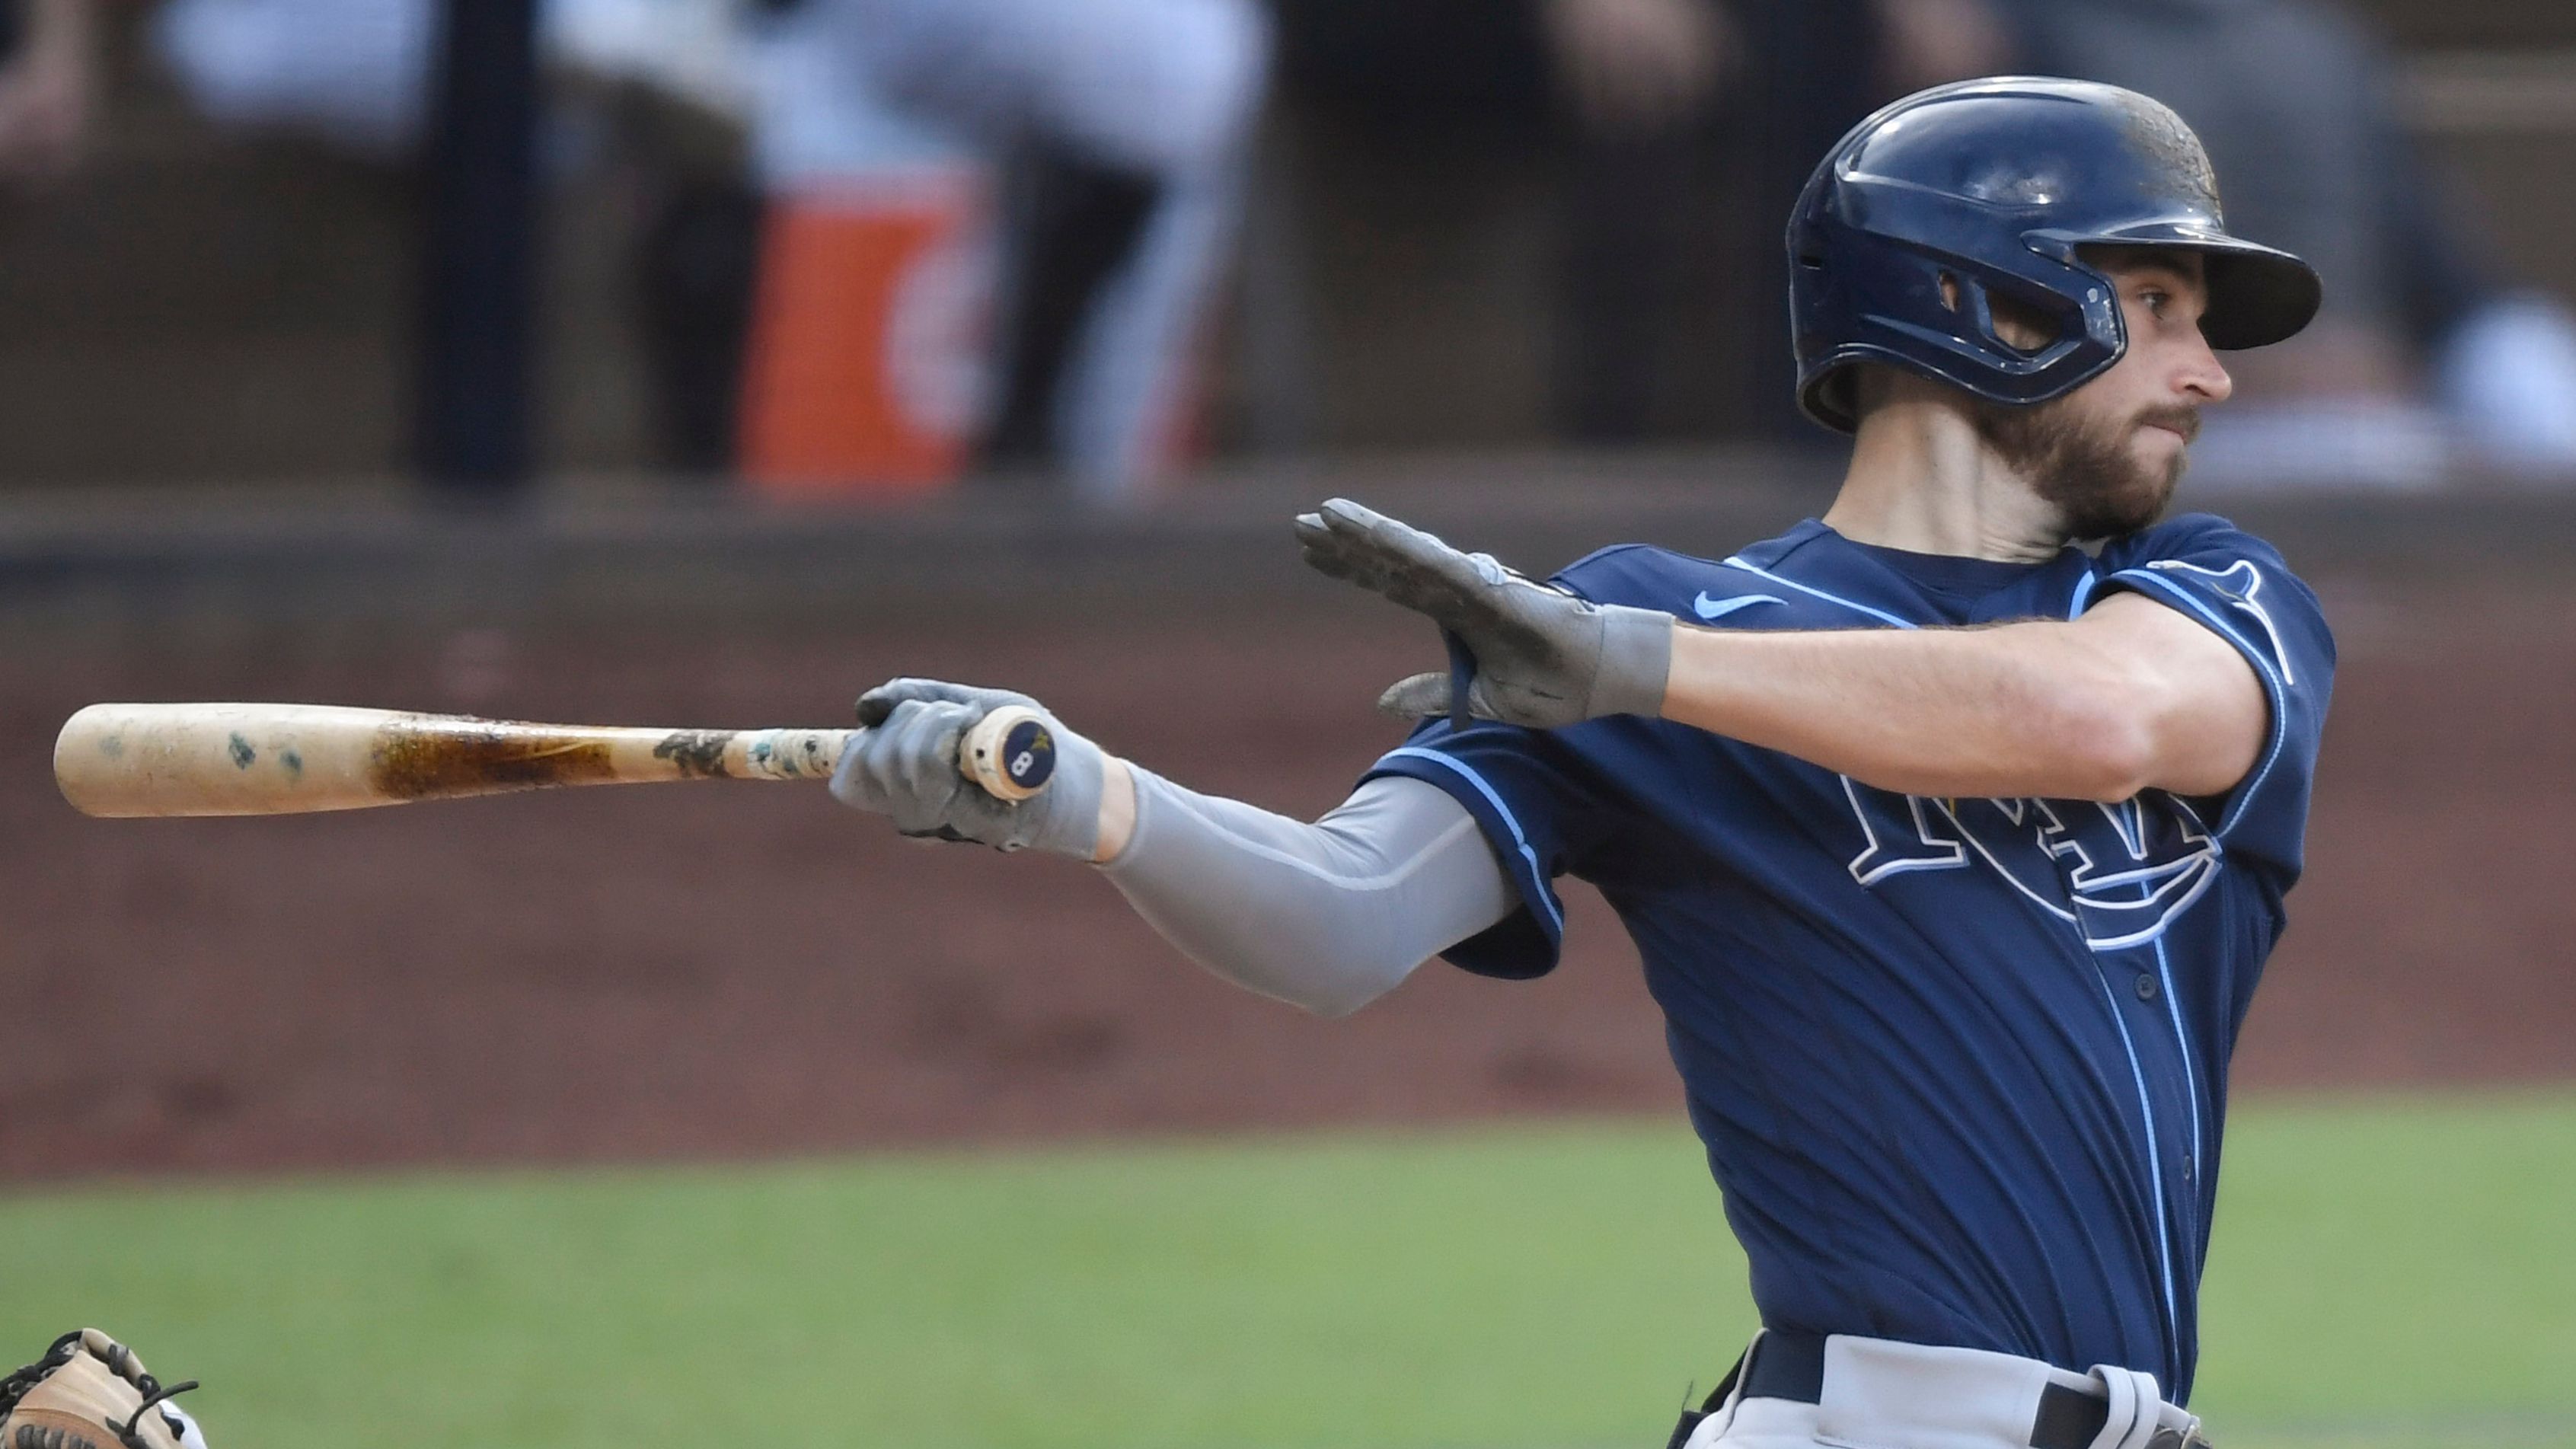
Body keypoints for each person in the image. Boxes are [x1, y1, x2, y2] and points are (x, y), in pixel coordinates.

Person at [829, 78, 2333, 1449]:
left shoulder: (2205, 595)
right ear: (1986, 305)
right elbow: (1338, 920)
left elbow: (2102, 725)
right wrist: (1078, 793)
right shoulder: (1650, 614)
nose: (2210, 374)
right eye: (2156, 302)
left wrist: (1623, 667)